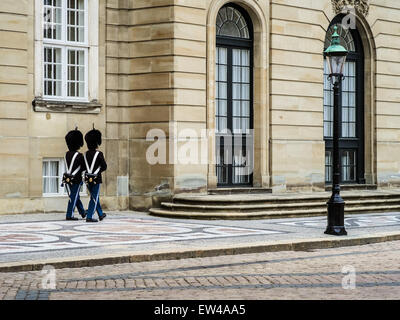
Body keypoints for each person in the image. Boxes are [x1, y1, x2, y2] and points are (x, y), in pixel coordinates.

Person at [83, 127, 107, 223]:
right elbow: (104, 166)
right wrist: (97, 171)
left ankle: (100, 214)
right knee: (94, 197)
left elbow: (83, 167)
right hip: (96, 178)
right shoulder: (99, 154)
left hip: (87, 178)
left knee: (93, 196)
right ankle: (89, 216)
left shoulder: (85, 154)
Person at [64, 128, 87, 221]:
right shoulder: (79, 155)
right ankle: (69, 215)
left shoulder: (67, 154)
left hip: (67, 178)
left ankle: (82, 212)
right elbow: (84, 167)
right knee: (73, 197)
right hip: (76, 179)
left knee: (75, 196)